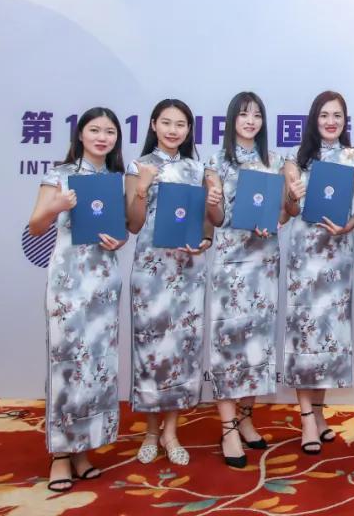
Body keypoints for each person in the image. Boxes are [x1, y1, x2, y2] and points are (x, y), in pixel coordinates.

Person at [28, 107, 127, 491]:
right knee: (66, 365)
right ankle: (60, 454)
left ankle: (84, 448)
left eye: (109, 131)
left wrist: (119, 240)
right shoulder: (60, 175)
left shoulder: (115, 180)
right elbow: (36, 226)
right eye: (95, 130)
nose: (102, 137)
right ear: (81, 134)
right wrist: (56, 206)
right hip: (69, 284)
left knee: (97, 367)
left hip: (104, 282)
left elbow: (122, 230)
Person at [126, 98, 212, 466]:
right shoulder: (139, 165)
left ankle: (172, 432)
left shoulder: (197, 168)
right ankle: (150, 432)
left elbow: (206, 221)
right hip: (151, 270)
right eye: (166, 122)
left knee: (181, 351)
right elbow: (133, 223)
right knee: (151, 352)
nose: (173, 130)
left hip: (187, 271)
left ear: (189, 130)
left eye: (181, 124)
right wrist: (143, 188)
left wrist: (205, 240)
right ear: (153, 125)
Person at [204, 92, 286, 467]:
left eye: (256, 115)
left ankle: (246, 418)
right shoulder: (216, 162)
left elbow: (283, 212)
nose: (250, 120)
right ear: (231, 120)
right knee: (228, 344)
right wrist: (213, 200)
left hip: (263, 261)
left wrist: (276, 219)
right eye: (243, 114)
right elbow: (218, 219)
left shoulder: (275, 161)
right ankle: (227, 428)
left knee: (257, 344)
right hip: (231, 263)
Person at [282, 91, 354, 454]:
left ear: (345, 121)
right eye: (324, 115)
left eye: (337, 116)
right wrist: (292, 195)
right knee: (304, 337)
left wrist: (349, 227)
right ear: (314, 119)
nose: (331, 121)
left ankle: (318, 411)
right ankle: (306, 419)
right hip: (305, 259)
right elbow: (288, 211)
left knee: (328, 337)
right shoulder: (295, 158)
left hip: (337, 258)